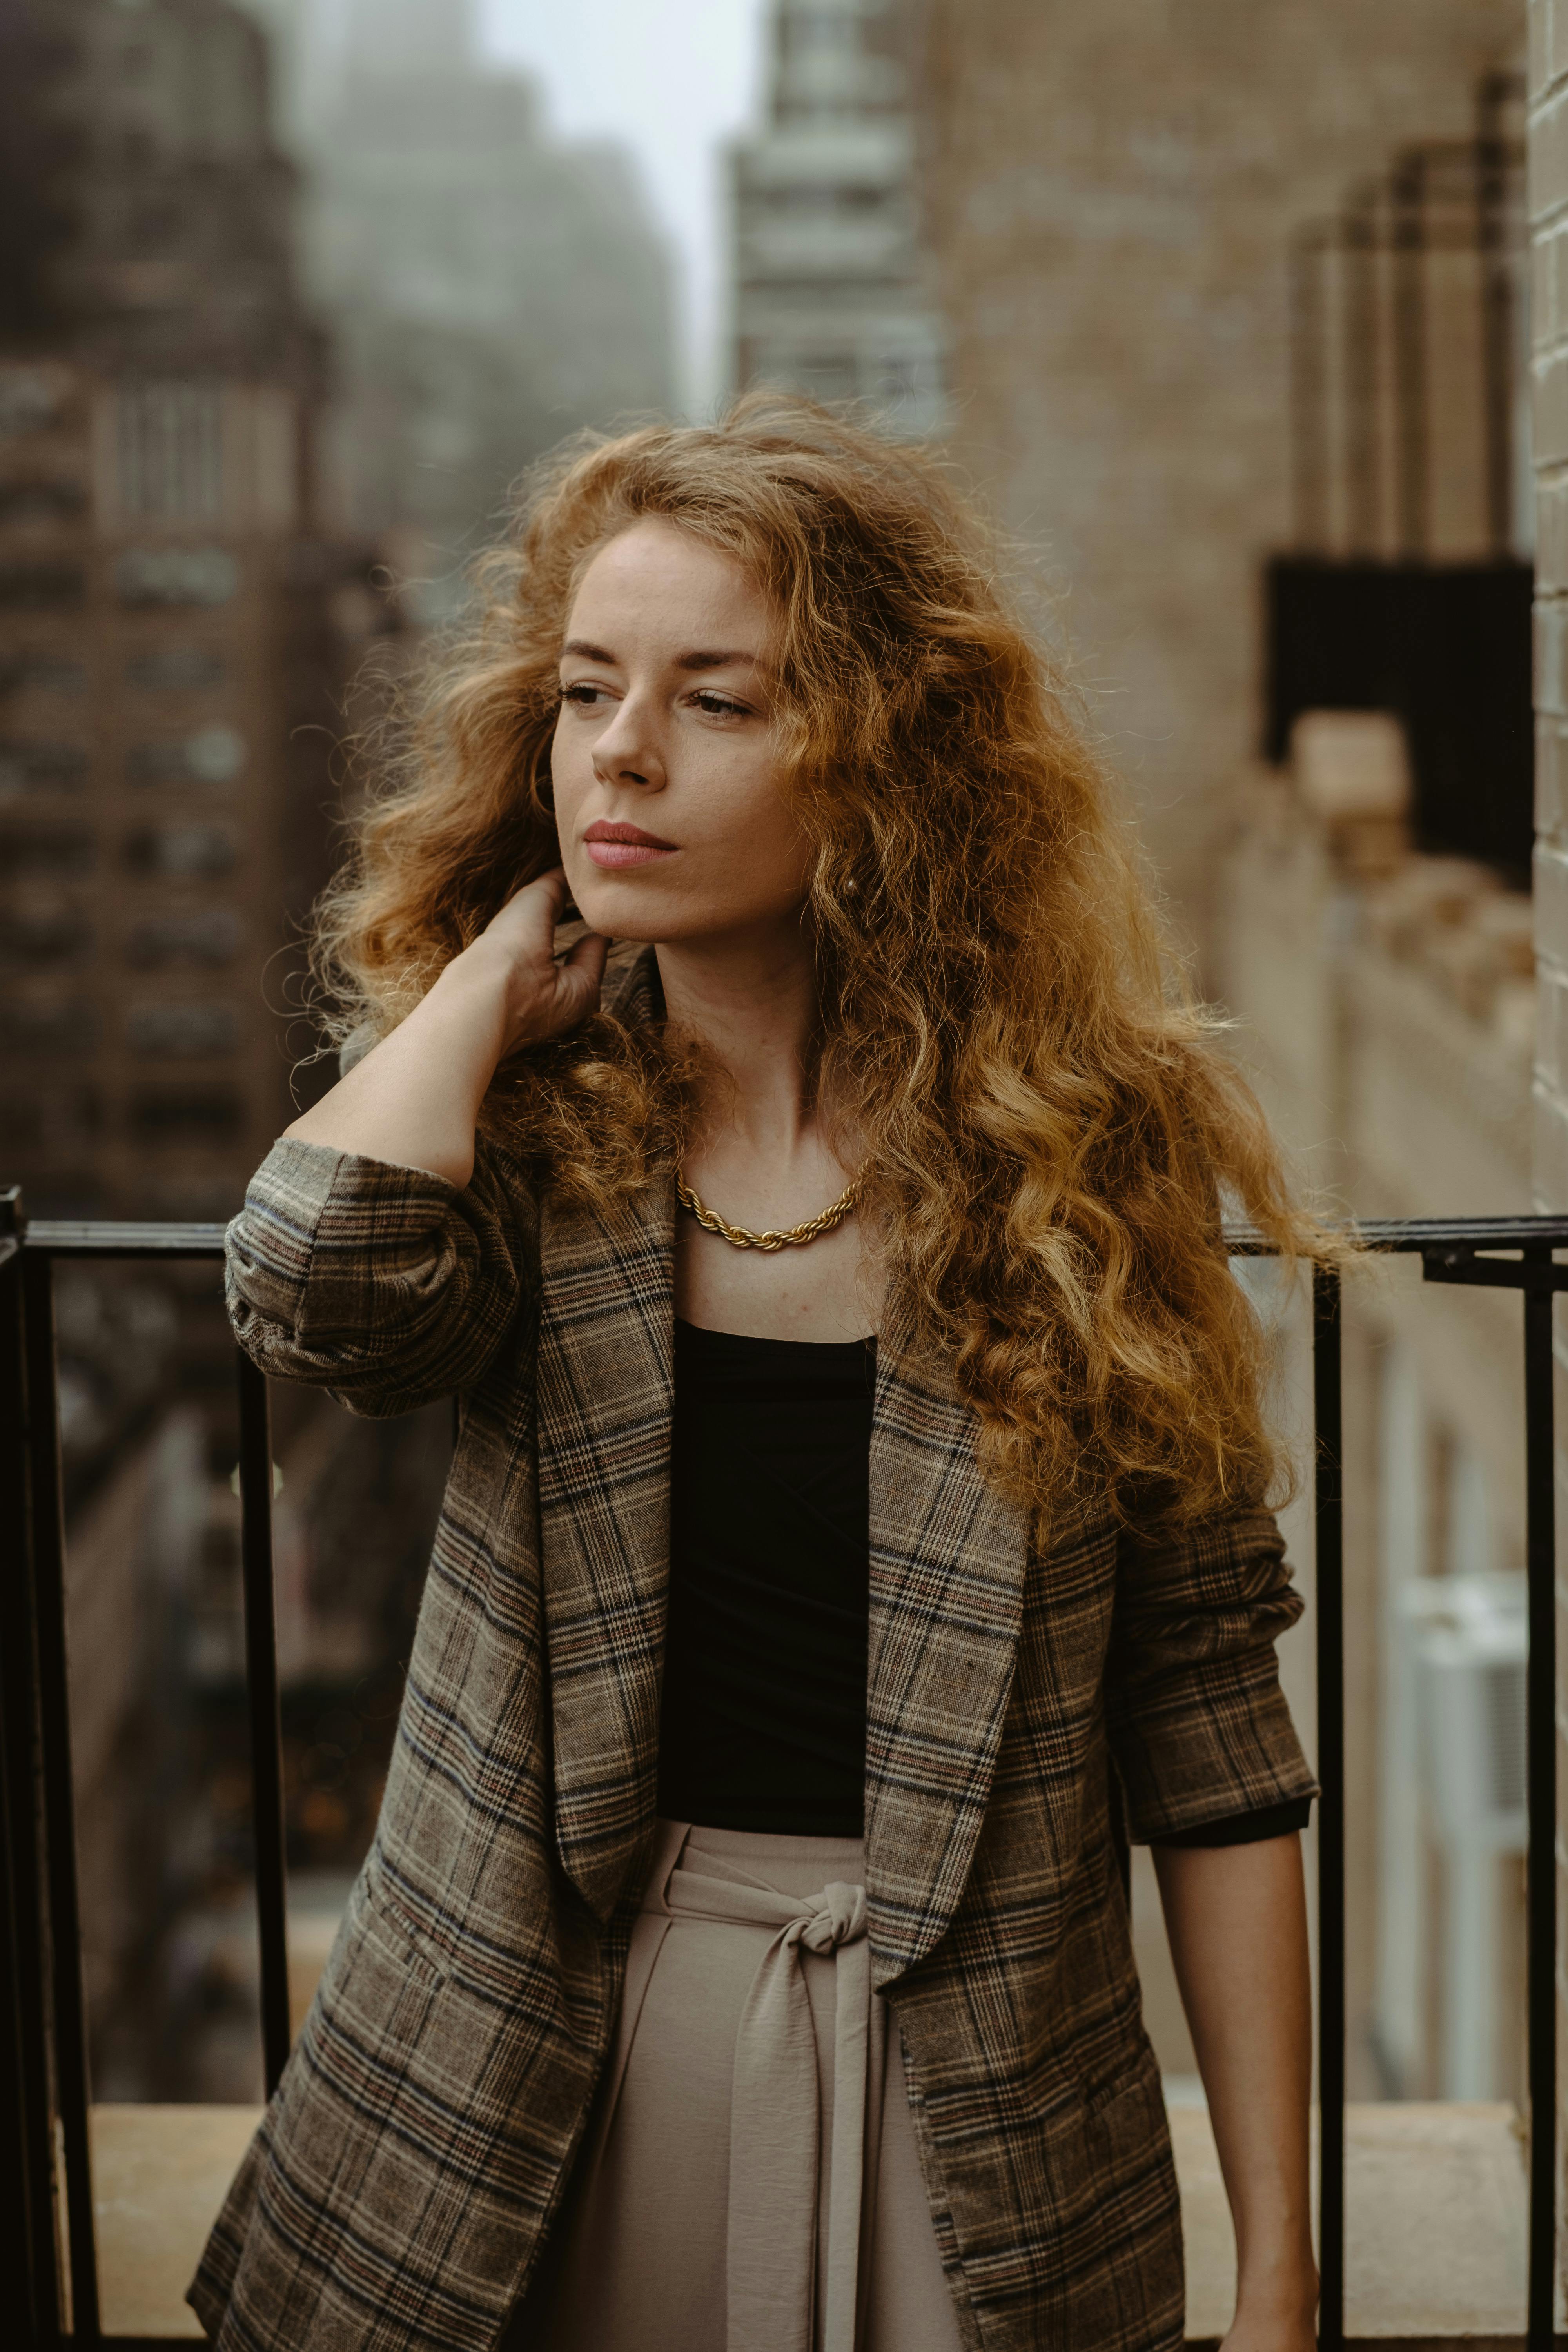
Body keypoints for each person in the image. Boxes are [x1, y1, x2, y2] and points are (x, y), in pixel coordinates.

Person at [190, 395, 1322, 2352]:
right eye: (582, 692)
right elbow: (313, 1289)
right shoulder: (528, 1124)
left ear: (886, 760)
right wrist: (482, 981)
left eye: (717, 702)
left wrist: (1282, 2263)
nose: (618, 754)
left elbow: (1208, 1722)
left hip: (979, 2092)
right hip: (540, 2068)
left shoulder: (1086, 1151)